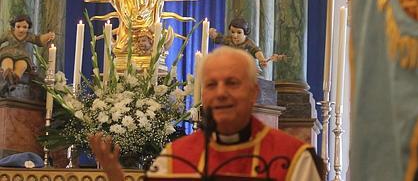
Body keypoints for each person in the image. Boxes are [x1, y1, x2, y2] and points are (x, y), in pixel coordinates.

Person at [89, 47, 322, 180]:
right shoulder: (175, 158)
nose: (220, 93)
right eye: (211, 85)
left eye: (232, 83)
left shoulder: (293, 158)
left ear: (253, 92)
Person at [0, 15, 55, 86]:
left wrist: (48, 36)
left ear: (28, 27)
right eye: (18, 26)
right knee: (7, 63)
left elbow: (38, 40)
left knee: (22, 65)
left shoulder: (28, 36)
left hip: (22, 56)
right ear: (14, 26)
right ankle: (8, 78)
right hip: (7, 53)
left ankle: (13, 82)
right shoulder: (9, 33)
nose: (21, 30)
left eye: (24, 27)